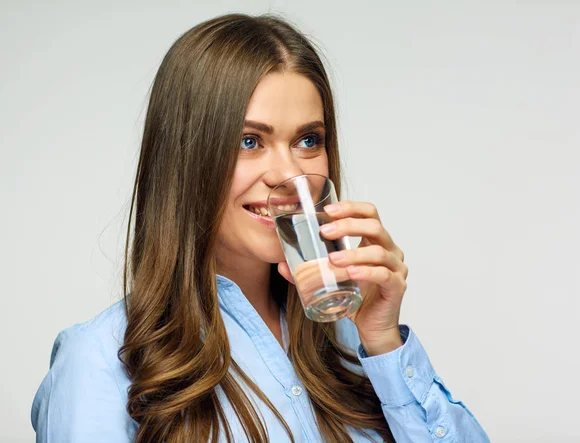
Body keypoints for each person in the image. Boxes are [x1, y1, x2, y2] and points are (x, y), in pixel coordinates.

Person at [31, 13, 490, 443]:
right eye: (249, 141)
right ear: (186, 159)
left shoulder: (353, 341)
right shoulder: (98, 362)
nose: (286, 174)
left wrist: (385, 341)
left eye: (308, 140)